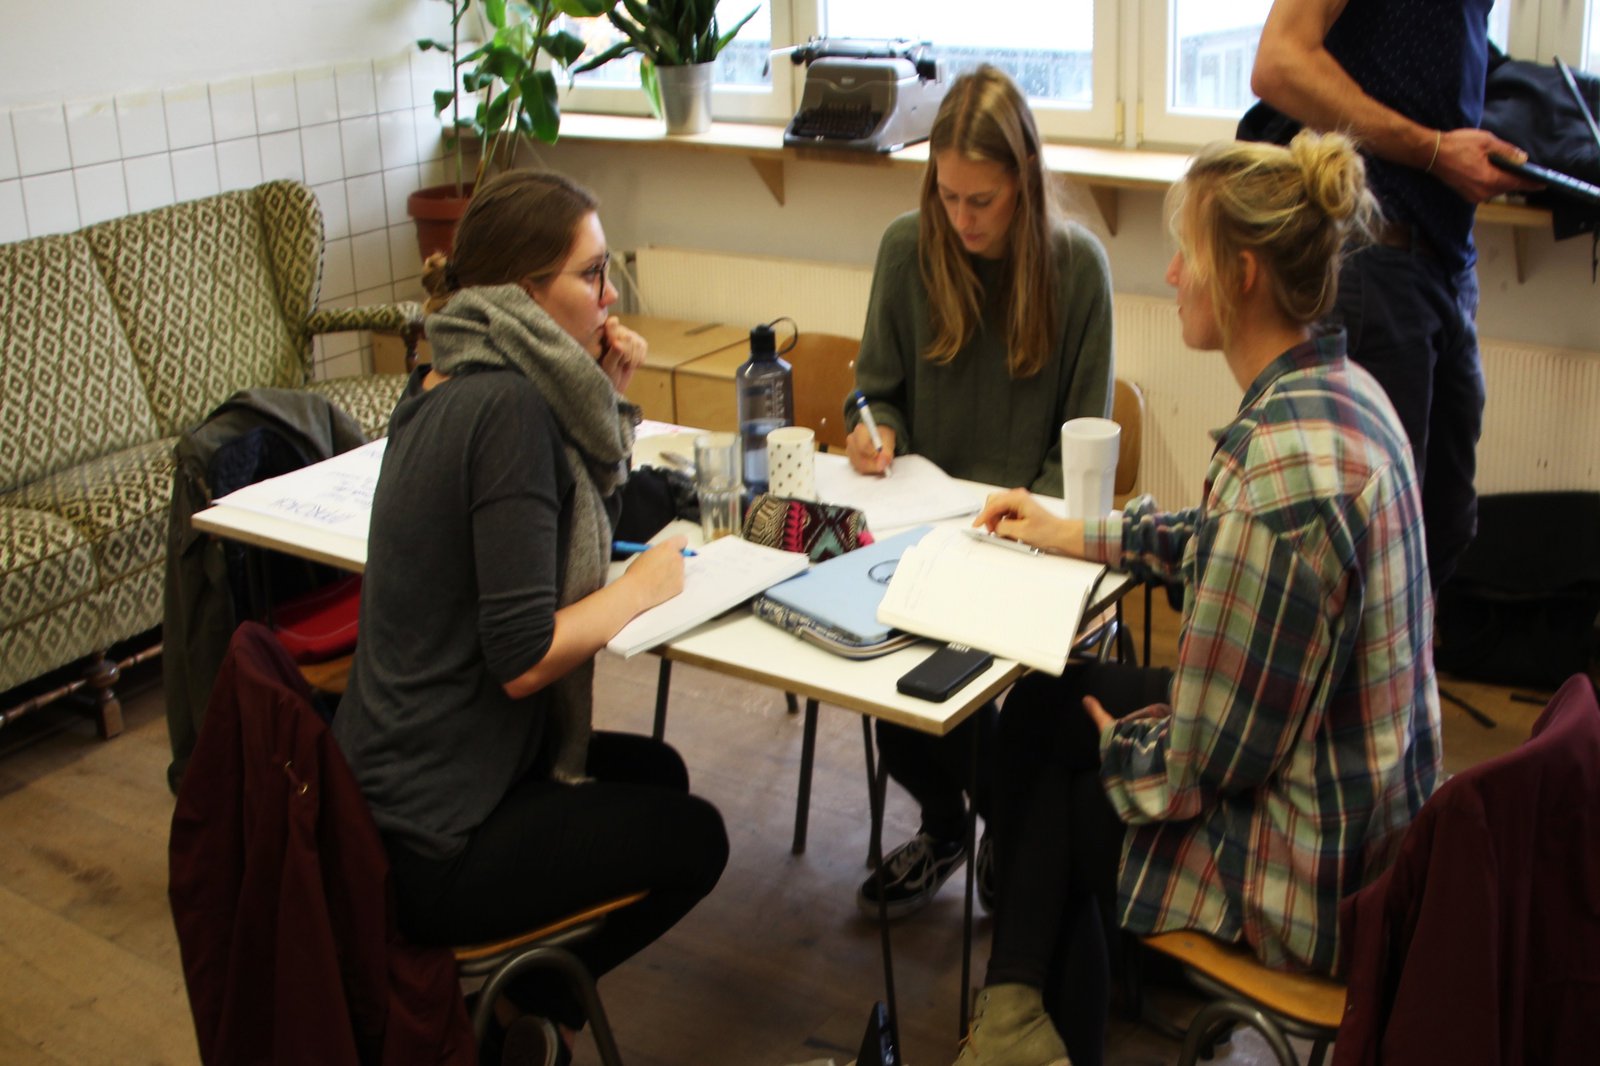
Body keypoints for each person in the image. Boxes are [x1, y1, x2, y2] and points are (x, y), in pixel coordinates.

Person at [953, 132, 1443, 1066]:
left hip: (1314, 890)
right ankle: (1020, 1011)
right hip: (1372, 837)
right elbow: (1219, 545)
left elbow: (1208, 756)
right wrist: (1074, 532)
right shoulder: (1344, 397)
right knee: (1048, 711)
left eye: (1189, 255)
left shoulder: (1275, 479)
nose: (1174, 273)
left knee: (1054, 780)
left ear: (1243, 273)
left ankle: (1020, 1022)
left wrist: (1118, 742)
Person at [332, 170, 729, 1064]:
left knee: (658, 774)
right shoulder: (505, 409)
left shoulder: (447, 375)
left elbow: (558, 533)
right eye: (591, 276)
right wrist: (645, 587)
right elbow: (521, 653)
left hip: (380, 801)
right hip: (437, 838)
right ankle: (505, 1019)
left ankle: (520, 1019)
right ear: (522, 298)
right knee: (696, 841)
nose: (611, 293)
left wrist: (600, 404)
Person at [843, 65, 1115, 922]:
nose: (960, 220)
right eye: (948, 195)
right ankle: (967, 826)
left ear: (1024, 183)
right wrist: (872, 428)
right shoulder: (905, 247)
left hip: (1029, 537)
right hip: (923, 531)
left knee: (1026, 698)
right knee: (891, 683)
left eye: (982, 201)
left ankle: (1017, 840)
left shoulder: (1078, 271)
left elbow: (1078, 451)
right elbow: (876, 391)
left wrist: (1015, 526)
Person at [1246, 0, 1538, 588]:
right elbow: (1278, 63)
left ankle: (1407, 680)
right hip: (1373, 264)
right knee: (1371, 551)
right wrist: (1432, 148)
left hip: (1444, 262)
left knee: (1441, 530)